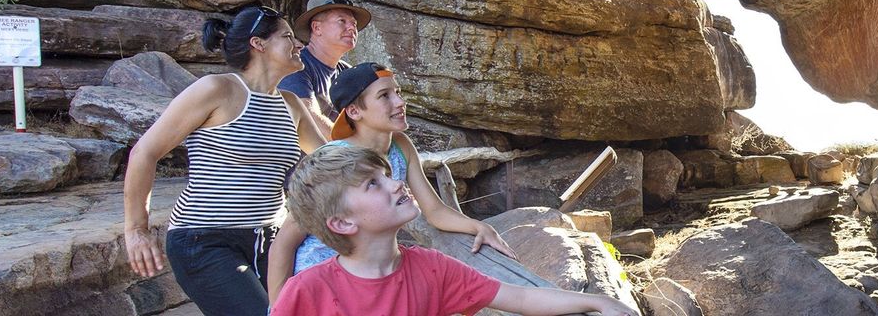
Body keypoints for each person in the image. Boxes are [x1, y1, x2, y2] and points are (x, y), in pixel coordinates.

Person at [122, 5, 329, 316]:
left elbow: (330, 160)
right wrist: (137, 229)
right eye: (287, 37)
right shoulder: (217, 89)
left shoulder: (291, 105)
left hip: (270, 241)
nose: (298, 45)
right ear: (258, 44)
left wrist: (387, 158)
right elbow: (145, 152)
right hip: (205, 240)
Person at [271, 144, 640, 316]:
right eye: (373, 185)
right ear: (342, 223)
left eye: (387, 175)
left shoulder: (432, 268)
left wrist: (600, 301)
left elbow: (522, 299)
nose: (396, 184)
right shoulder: (308, 292)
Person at [266, 62, 514, 301]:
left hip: (367, 277)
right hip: (320, 281)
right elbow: (286, 242)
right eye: (384, 95)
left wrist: (479, 227)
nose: (399, 102)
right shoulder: (335, 160)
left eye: (398, 92)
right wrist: (279, 307)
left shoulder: (401, 146)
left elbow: (434, 210)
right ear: (354, 111)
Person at [279, 0, 370, 122]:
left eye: (354, 23)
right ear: (316, 28)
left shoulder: (347, 72)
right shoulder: (297, 66)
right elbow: (309, 121)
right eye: (341, 21)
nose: (351, 28)